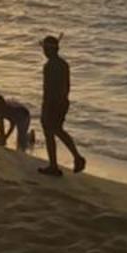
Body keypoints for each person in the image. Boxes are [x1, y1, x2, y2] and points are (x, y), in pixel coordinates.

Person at [37, 34, 85, 176]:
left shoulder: (49, 66)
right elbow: (66, 86)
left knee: (50, 132)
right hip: (63, 102)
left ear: (49, 50)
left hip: (53, 103)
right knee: (58, 130)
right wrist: (62, 101)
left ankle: (56, 165)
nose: (43, 51)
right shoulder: (64, 64)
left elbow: (49, 88)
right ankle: (74, 157)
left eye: (45, 49)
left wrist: (47, 106)